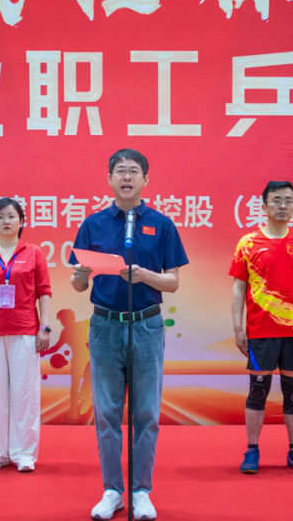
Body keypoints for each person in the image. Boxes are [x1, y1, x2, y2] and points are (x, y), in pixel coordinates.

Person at [69, 149, 188, 521]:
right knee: (106, 412)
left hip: (147, 325)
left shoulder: (162, 224)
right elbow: (78, 284)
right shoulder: (93, 224)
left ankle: (141, 491)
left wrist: (145, 276)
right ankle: (112, 491)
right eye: (119, 171)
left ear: (145, 180)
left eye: (133, 171)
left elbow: (173, 282)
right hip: (105, 325)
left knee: (146, 412)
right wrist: (79, 277)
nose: (126, 177)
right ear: (109, 179)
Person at [230, 180, 293, 477]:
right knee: (258, 391)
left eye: (288, 201)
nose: (283, 205)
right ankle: (251, 450)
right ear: (264, 205)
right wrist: (238, 328)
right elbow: (238, 288)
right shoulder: (248, 244)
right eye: (277, 200)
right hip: (261, 330)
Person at [0, 197, 52, 472]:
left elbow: (44, 292)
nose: (6, 221)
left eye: (12, 216)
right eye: (0, 217)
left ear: (21, 221)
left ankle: (24, 452)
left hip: (25, 330)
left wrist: (45, 327)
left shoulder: (34, 252)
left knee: (24, 393)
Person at [40, 308, 92, 421]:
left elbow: (96, 322)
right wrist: (43, 352)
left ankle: (82, 404)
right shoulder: (67, 332)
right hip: (81, 360)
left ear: (72, 318)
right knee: (76, 388)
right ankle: (74, 411)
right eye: (62, 320)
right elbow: (56, 348)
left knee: (82, 386)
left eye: (65, 319)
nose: (64, 322)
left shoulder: (82, 325)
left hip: (87, 360)